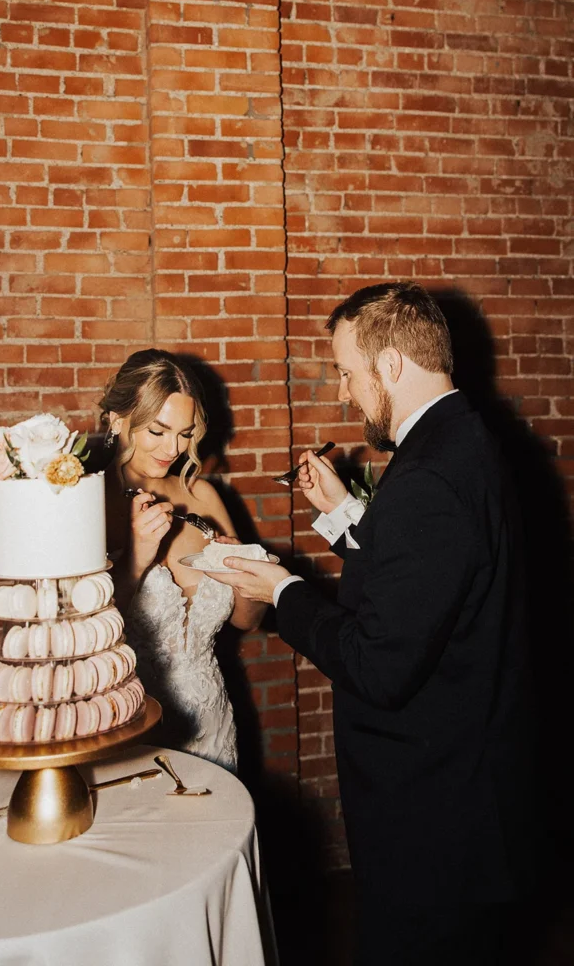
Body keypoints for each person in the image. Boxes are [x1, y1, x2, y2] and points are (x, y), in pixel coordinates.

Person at [207, 284, 534, 965]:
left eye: (349, 374)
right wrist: (340, 514)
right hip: (466, 788)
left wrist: (282, 589)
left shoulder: (426, 477)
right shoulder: (463, 439)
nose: (345, 394)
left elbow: (379, 664)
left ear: (389, 367)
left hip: (430, 805)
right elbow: (426, 584)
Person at [100, 348, 265, 772]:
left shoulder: (203, 498)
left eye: (185, 433)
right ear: (118, 419)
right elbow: (81, 636)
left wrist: (241, 573)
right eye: (158, 431)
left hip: (213, 723)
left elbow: (247, 620)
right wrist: (136, 558)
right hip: (129, 727)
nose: (174, 447)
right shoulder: (88, 505)